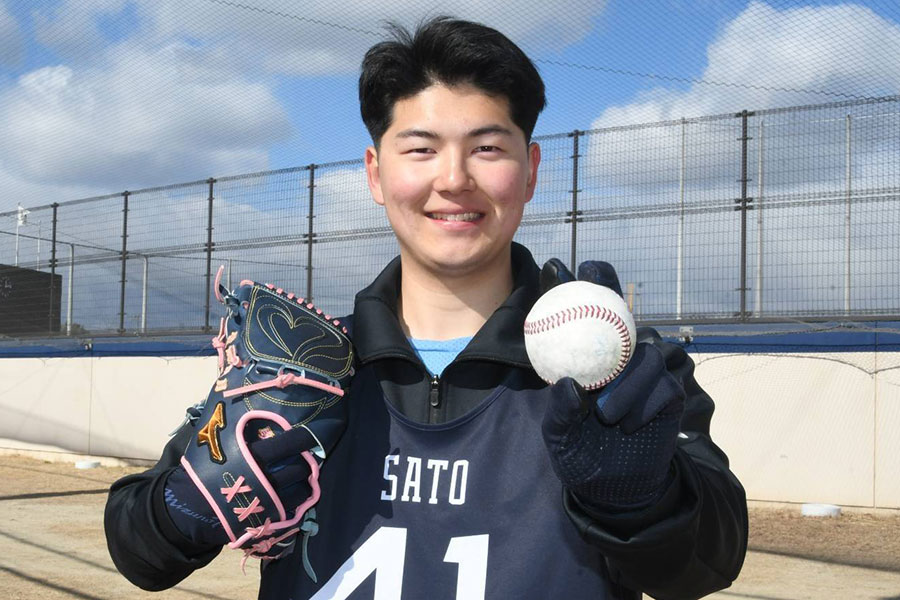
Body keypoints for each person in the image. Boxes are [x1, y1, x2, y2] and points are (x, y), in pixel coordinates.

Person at [105, 16, 747, 599]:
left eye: (488, 147)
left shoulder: (625, 377)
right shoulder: (299, 364)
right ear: (376, 174)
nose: (454, 179)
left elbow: (706, 565)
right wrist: (186, 505)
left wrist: (639, 500)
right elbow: (140, 552)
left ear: (530, 171)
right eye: (420, 149)